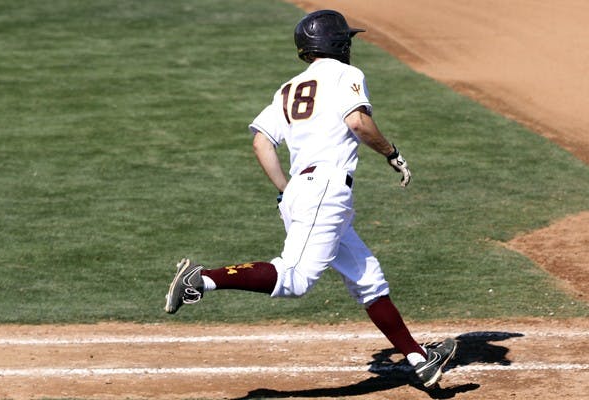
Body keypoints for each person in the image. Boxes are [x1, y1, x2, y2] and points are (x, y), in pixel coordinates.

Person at [164, 9, 456, 388]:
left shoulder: (287, 89)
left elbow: (261, 142)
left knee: (369, 279)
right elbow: (358, 122)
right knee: (294, 278)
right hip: (326, 191)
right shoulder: (347, 75)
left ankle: (421, 361)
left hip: (304, 191)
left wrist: (287, 191)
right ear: (338, 43)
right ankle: (201, 279)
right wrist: (392, 153)